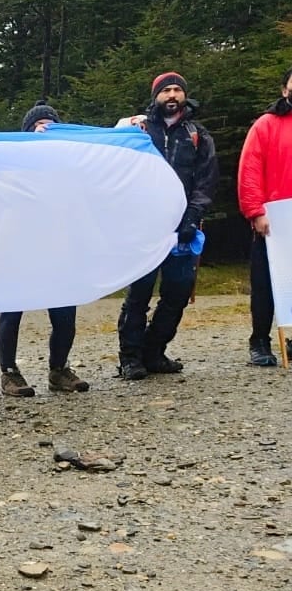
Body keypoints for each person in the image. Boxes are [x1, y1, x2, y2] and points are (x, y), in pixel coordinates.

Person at [116, 72, 218, 379]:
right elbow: (114, 161)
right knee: (139, 293)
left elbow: (206, 180)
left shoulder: (198, 135)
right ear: (156, 96)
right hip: (145, 226)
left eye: (177, 90)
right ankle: (130, 358)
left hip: (183, 227)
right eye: (166, 91)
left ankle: (154, 351)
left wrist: (192, 216)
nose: (171, 95)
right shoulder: (139, 131)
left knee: (177, 291)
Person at [0, 102, 89, 396]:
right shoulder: (10, 165)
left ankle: (59, 370)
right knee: (11, 311)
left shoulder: (69, 166)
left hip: (59, 248)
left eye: (51, 123)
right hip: (18, 248)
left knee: (65, 314)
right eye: (39, 124)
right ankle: (9, 374)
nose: (45, 127)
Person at [237, 66, 292, 367]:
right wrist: (255, 211)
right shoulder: (266, 126)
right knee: (266, 284)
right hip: (274, 222)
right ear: (285, 89)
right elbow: (250, 171)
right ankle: (260, 341)